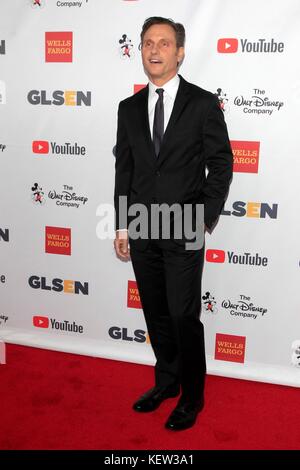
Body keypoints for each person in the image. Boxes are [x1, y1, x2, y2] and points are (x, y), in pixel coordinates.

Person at [114, 16, 233, 431]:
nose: (154, 50)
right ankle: (166, 382)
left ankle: (193, 396)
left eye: (164, 43)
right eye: (148, 43)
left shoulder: (202, 104)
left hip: (184, 225)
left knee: (183, 315)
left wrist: (203, 217)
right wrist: (122, 225)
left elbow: (221, 165)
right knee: (157, 312)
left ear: (179, 52)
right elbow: (124, 170)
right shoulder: (128, 109)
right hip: (142, 226)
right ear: (141, 51)